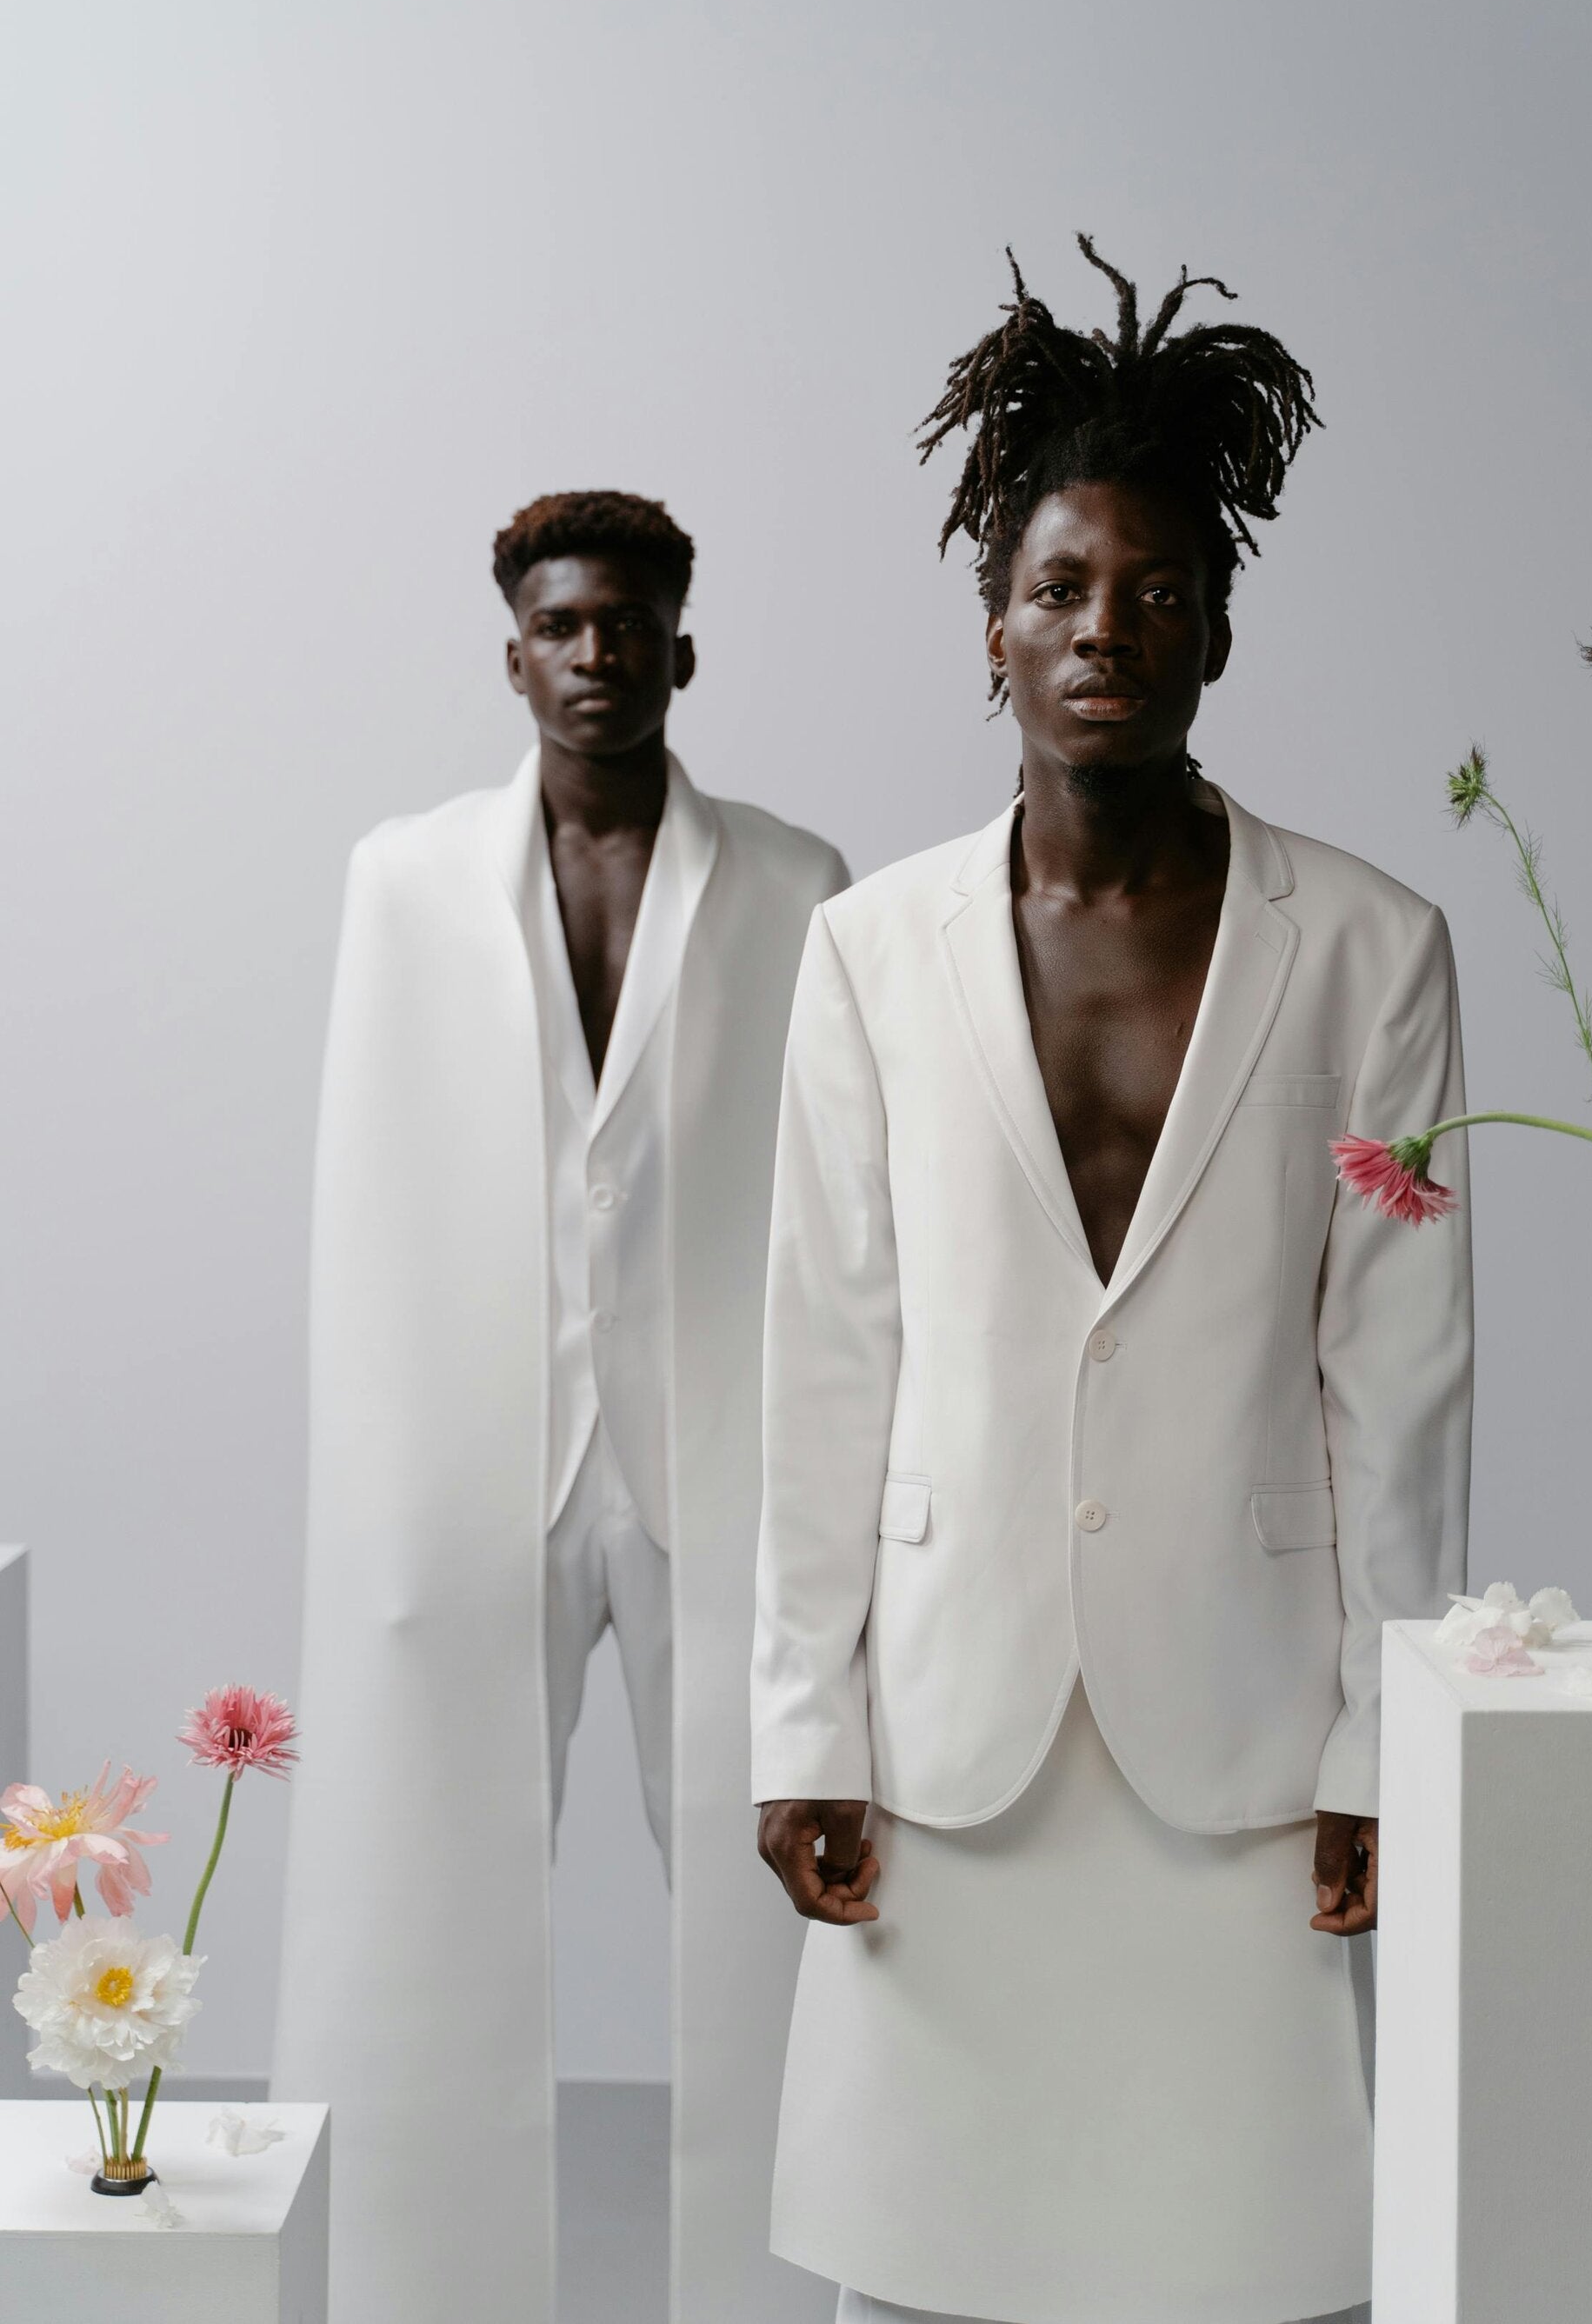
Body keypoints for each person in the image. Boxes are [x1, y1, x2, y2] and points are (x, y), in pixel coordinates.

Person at [753, 242, 1472, 2324]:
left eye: (1158, 592)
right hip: (948, 1723)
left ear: (1219, 628)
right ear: (994, 626)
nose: (1107, 630)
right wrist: (801, 1712)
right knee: (919, 2266)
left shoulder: (1373, 947)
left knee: (1245, 2266)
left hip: (1241, 1722)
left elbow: (1401, 1377)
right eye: (1063, 588)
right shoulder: (869, 952)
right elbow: (826, 1354)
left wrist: (1385, 1744)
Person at [273, 490, 846, 2324]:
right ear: (513, 654)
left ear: (685, 647)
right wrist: (382, 1490)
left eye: (629, 626)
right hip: (479, 1455)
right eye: (563, 626)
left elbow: (834, 1200)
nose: (598, 656)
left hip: (722, 1454)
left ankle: (795, 2284)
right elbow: (368, 1187)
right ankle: (403, 2290)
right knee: (423, 1898)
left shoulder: (795, 884)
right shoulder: (404, 878)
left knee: (773, 1913)